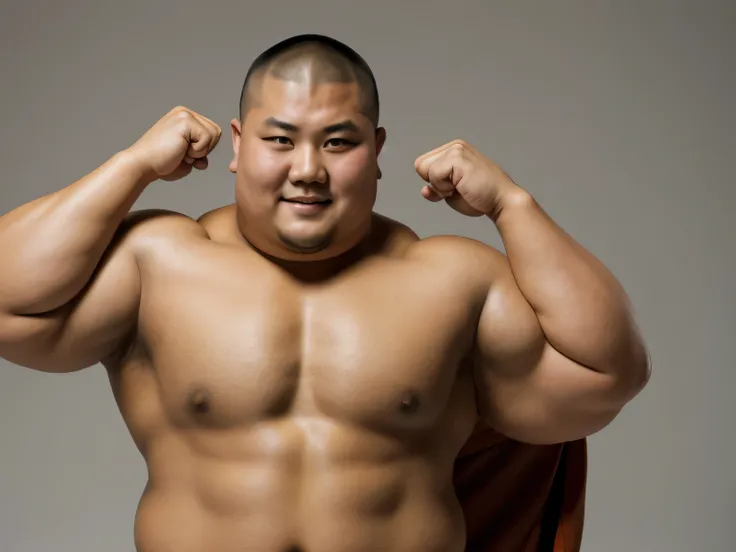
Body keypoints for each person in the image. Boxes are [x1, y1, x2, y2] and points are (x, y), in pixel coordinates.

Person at [0, 34, 650, 552]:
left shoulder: (452, 281)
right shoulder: (158, 263)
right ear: (237, 144)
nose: (307, 170)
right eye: (279, 140)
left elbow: (606, 374)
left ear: (377, 149)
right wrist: (133, 164)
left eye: (338, 142)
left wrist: (512, 203)